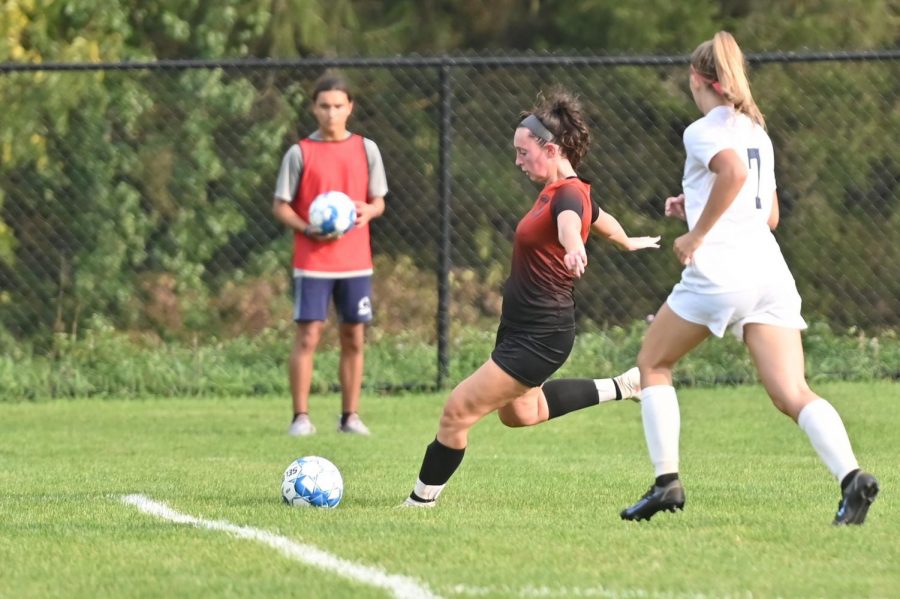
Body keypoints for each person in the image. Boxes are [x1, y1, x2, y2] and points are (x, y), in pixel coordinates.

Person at [620, 32, 879, 525]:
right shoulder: (757, 130)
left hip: (721, 275)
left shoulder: (701, 129)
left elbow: (733, 175)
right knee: (792, 392)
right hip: (769, 273)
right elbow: (769, 214)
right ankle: (852, 479)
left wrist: (695, 235)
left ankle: (666, 483)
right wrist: (692, 206)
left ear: (698, 80)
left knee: (653, 362)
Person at [402, 89, 661, 507]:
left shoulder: (567, 195)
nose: (518, 161)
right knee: (521, 413)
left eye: (524, 153)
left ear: (551, 148)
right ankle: (624, 385)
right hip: (522, 329)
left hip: (541, 334)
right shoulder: (560, 190)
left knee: (457, 412)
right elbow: (600, 216)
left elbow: (572, 224)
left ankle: (419, 504)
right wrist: (626, 240)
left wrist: (575, 246)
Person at [272, 72, 388, 436]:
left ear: (350, 107)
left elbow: (378, 201)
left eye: (338, 106)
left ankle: (349, 417)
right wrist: (308, 228)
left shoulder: (366, 149)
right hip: (313, 262)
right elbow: (281, 206)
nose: (331, 113)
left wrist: (369, 211)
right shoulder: (300, 153)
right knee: (308, 336)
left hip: (355, 262)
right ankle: (300, 417)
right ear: (314, 109)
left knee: (353, 337)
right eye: (324, 106)